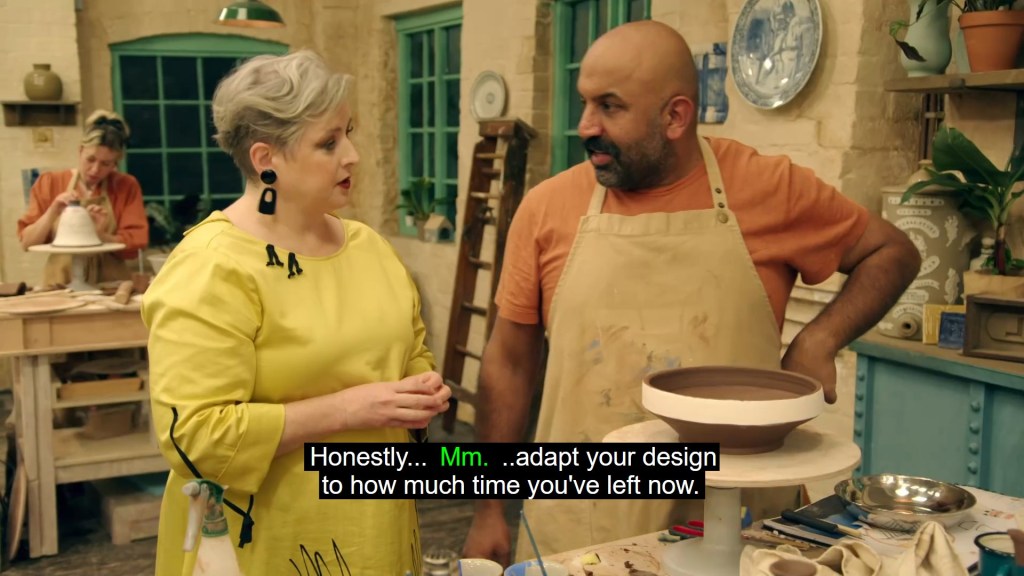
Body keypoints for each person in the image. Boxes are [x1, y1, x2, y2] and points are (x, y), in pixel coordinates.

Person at [462, 21, 921, 564]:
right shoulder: (546, 208)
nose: (585, 126)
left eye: (609, 107)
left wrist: (818, 340)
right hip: (582, 522)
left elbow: (892, 252)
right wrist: (489, 509)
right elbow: (510, 363)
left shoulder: (768, 188)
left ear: (675, 117)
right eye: (584, 102)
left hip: (738, 525)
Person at [142, 50, 451, 575]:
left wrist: (420, 388)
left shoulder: (370, 248)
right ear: (267, 159)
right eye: (328, 143)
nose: (352, 155)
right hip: (266, 542)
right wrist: (349, 409)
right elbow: (196, 437)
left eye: (348, 133)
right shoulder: (212, 267)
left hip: (377, 527)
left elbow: (409, 350)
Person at [17, 110, 148, 286]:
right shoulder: (49, 183)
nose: (95, 170)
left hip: (110, 285)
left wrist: (100, 235)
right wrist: (53, 211)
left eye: (106, 164)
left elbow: (136, 243)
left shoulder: (125, 186)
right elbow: (27, 243)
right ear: (80, 151)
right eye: (90, 159)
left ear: (115, 163)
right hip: (61, 283)